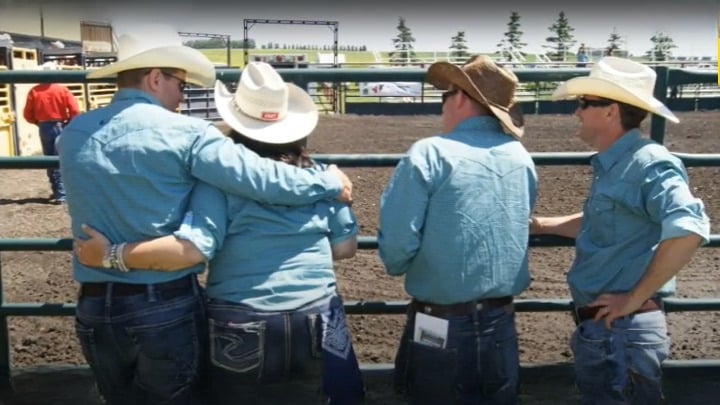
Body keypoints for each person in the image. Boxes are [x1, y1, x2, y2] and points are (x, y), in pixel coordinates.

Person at [57, 25, 352, 405]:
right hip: (163, 302)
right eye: (180, 85)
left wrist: (106, 256)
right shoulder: (187, 134)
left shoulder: (73, 134)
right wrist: (327, 182)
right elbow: (263, 179)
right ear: (155, 77)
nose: (182, 97)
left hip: (95, 303)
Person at [530, 56, 710, 404]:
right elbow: (602, 223)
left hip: (621, 334)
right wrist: (538, 224)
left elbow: (689, 226)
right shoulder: (622, 164)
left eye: (584, 103)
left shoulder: (648, 163)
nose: (577, 112)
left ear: (611, 111)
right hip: (613, 333)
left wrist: (635, 297)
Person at [378, 54, 537, 404]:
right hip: (500, 320)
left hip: (439, 321)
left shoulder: (429, 154)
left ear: (461, 98)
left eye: (445, 95)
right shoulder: (519, 156)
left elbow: (396, 250)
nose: (443, 105)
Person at [23, 61, 80, 204]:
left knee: (50, 159)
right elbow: (74, 111)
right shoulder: (63, 90)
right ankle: (66, 192)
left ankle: (58, 192)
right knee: (64, 157)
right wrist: (68, 123)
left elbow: (27, 114)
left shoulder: (35, 91)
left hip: (44, 126)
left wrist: (38, 122)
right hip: (61, 124)